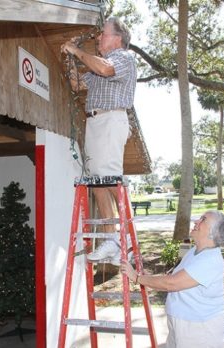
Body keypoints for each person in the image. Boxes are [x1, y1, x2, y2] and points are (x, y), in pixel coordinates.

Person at [61, 17, 137, 265]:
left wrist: (75, 49)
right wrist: (69, 57)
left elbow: (105, 69)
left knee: (111, 179)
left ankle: (126, 239)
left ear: (118, 38)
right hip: (95, 123)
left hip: (111, 119)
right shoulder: (98, 65)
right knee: (97, 182)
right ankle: (111, 240)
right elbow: (76, 84)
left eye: (102, 34)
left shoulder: (123, 57)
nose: (98, 38)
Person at [121, 210, 224, 347]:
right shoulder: (194, 252)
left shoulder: (210, 260)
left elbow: (172, 283)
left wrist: (136, 277)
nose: (196, 222)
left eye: (203, 220)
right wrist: (147, 279)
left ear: (214, 232)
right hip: (183, 323)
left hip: (199, 329)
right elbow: (172, 281)